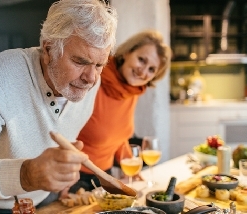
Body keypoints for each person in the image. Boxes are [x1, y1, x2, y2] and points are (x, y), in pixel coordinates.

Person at [0, 0, 117, 212]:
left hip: (42, 200)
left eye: (99, 65)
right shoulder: (1, 76)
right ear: (48, 48)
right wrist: (26, 174)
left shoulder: (85, 82)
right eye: (79, 62)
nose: (91, 78)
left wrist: (61, 172)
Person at [69, 30, 171, 192]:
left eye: (152, 69)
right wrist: (65, 175)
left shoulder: (131, 91)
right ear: (127, 53)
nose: (143, 72)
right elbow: (62, 130)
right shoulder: (93, 79)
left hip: (105, 175)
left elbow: (118, 135)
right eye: (141, 60)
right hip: (74, 178)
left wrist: (131, 166)